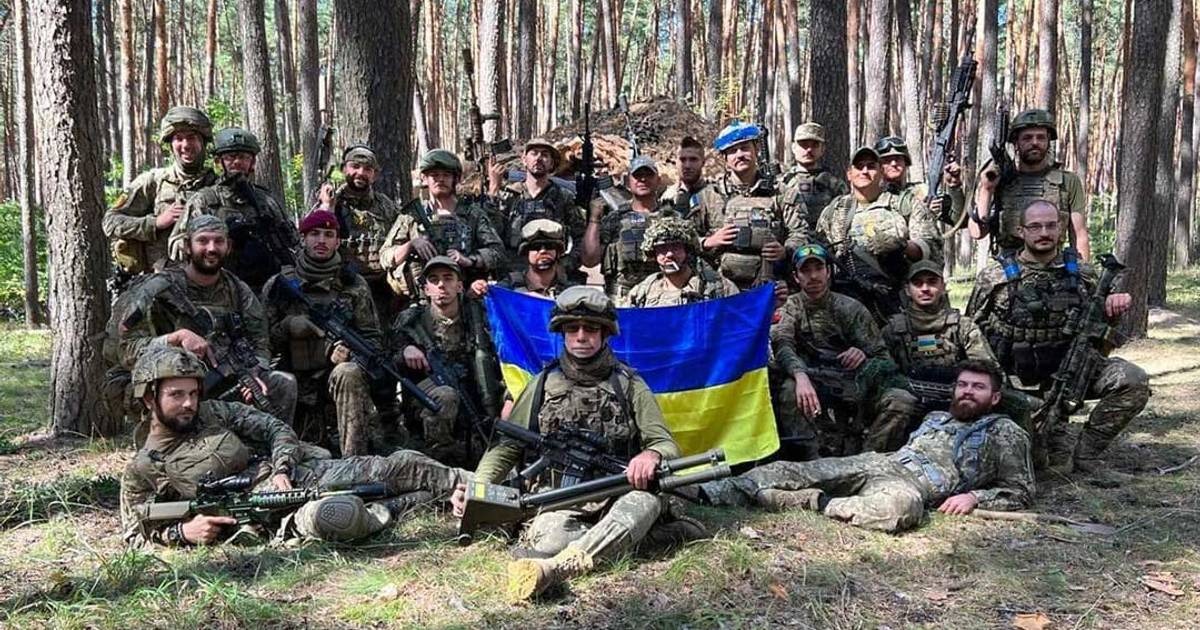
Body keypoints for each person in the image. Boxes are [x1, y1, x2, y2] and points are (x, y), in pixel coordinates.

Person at [450, 286, 702, 600]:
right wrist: (478, 489)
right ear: (563, 333)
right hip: (559, 500)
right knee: (550, 541)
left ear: (605, 334)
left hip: (618, 493)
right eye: (573, 329)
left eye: (591, 329)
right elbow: (507, 445)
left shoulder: (629, 384)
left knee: (645, 502)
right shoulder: (543, 383)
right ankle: (643, 540)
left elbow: (665, 443)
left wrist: (651, 455)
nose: (581, 336)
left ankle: (555, 568)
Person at [119, 345, 469, 547]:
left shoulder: (215, 413)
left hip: (300, 478)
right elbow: (133, 536)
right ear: (150, 398)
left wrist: (283, 467)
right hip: (279, 522)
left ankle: (485, 492)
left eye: (193, 393)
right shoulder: (144, 468)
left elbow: (276, 428)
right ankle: (417, 501)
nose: (188, 403)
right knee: (339, 515)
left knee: (403, 465)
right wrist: (183, 533)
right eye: (176, 395)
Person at [701, 360, 1035, 534]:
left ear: (995, 398)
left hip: (913, 486)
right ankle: (707, 492)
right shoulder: (936, 416)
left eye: (978, 387)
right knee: (792, 470)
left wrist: (974, 497)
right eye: (962, 385)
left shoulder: (1005, 432)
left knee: (899, 510)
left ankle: (808, 502)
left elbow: (1020, 491)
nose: (967, 391)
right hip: (882, 462)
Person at [967, 200, 1150, 473]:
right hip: (1013, 383)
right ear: (1021, 230)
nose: (1044, 232)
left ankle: (1087, 455)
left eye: (1050, 226)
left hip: (1069, 375)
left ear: (1061, 228)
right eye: (1035, 226)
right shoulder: (994, 276)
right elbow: (971, 331)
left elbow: (1101, 334)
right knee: (1034, 462)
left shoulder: (1084, 275)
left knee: (1133, 380)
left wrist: (1113, 310)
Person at [111, 215, 298, 426]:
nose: (211, 248)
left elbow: (260, 341)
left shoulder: (238, 290)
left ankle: (276, 443)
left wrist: (255, 373)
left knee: (282, 384)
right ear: (187, 246)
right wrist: (174, 339)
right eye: (203, 240)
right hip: (174, 386)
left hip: (229, 378)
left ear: (228, 247)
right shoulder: (156, 289)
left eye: (218, 241)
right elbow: (126, 350)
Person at [262, 210, 386, 456]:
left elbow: (373, 339)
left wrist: (349, 354)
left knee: (348, 372)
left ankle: (354, 459)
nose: (321, 240)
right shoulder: (279, 284)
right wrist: (287, 327)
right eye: (314, 234)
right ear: (303, 238)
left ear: (338, 241)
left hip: (335, 382)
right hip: (292, 379)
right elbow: (261, 341)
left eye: (329, 235)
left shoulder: (354, 284)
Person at [770, 244, 908, 460]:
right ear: (796, 277)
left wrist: (863, 354)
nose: (813, 276)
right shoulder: (790, 307)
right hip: (811, 381)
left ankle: (869, 459)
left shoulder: (851, 308)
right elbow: (782, 344)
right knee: (789, 389)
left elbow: (883, 358)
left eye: (819, 269)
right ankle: (810, 460)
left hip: (852, 382)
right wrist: (800, 375)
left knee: (901, 400)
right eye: (806, 270)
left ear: (828, 272)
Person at [815, 145, 943, 324]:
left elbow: (932, 249)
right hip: (847, 303)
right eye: (859, 166)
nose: (865, 171)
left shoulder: (904, 204)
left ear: (881, 172)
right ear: (849, 174)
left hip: (895, 301)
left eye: (871, 166)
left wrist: (902, 246)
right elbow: (819, 252)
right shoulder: (835, 210)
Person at [392, 257, 501, 464]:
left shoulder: (477, 317)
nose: (441, 285)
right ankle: (439, 459)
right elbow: (387, 357)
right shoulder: (412, 320)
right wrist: (405, 350)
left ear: (460, 286)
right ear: (426, 289)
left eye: (448, 278)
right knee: (446, 396)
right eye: (434, 280)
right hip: (429, 402)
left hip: (476, 400)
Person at [170, 127, 299, 294]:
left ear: (252, 162)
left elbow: (292, 242)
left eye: (244, 157)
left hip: (265, 287)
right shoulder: (204, 200)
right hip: (218, 288)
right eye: (230, 157)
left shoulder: (266, 201)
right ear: (219, 162)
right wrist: (220, 240)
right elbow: (176, 247)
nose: (237, 162)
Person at [103, 106, 218, 282]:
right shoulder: (153, 182)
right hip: (160, 282)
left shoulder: (216, 186)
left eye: (192, 137)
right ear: (170, 144)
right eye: (179, 139)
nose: (186, 145)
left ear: (203, 142)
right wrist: (155, 223)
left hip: (208, 282)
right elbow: (110, 222)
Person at [692, 121, 807, 292]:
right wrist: (707, 242)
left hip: (769, 287)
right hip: (721, 289)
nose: (739, 155)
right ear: (725, 158)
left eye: (745, 148)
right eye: (732, 151)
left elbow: (801, 233)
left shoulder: (781, 194)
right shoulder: (707, 197)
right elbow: (686, 239)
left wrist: (786, 250)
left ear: (756, 150)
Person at [380, 149, 504, 302]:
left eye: (446, 175)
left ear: (455, 179)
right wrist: (411, 244)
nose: (440, 179)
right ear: (425, 179)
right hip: (422, 302)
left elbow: (498, 253)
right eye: (434, 175)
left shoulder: (473, 214)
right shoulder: (412, 216)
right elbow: (385, 257)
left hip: (466, 297)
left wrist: (469, 260)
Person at [970, 108, 1091, 259]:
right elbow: (977, 232)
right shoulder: (1000, 179)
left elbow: (1079, 235)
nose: (1034, 143)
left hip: (1053, 266)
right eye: (1027, 138)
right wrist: (987, 190)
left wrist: (1084, 270)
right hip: (1009, 267)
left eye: (1040, 137)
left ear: (1048, 141)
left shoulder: (1067, 182)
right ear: (1016, 143)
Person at [314, 145, 403, 321]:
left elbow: (403, 234)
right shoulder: (331, 202)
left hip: (383, 288)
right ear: (344, 169)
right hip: (344, 288)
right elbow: (315, 242)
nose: (361, 173)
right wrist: (327, 207)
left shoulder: (386, 206)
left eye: (367, 169)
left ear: (374, 175)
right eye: (355, 166)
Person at [582, 155, 682, 304]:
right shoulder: (614, 219)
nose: (643, 179)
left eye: (648, 175)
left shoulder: (673, 218)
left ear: (658, 180)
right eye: (637, 175)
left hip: (661, 297)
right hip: (620, 298)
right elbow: (589, 260)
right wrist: (594, 219)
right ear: (628, 181)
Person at [488, 138, 587, 280]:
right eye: (534, 153)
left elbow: (581, 238)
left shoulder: (563, 197)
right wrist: (493, 189)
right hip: (514, 273)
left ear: (552, 163)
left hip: (551, 272)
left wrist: (565, 264)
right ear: (524, 160)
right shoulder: (509, 196)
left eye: (545, 154)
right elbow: (491, 235)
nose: (539, 158)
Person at [626, 215, 738, 307]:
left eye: (675, 247)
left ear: (687, 250)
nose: (669, 254)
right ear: (654, 254)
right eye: (662, 249)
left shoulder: (718, 287)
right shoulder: (642, 292)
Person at [472, 219, 576, 298]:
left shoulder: (570, 291)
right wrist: (477, 290)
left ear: (558, 251)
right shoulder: (508, 287)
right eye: (535, 247)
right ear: (526, 252)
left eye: (549, 246)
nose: (542, 251)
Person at [874, 135, 964, 226]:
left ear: (906, 163)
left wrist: (954, 186)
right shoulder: (873, 196)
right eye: (887, 160)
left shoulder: (923, 191)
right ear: (878, 166)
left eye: (898, 159)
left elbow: (960, 221)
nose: (893, 164)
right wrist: (922, 213)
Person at [779, 122, 849, 231]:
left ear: (822, 149)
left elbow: (844, 219)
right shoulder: (782, 182)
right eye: (803, 145)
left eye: (814, 145)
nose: (809, 150)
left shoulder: (834, 185)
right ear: (793, 147)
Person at [659, 136, 710, 216]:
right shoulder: (668, 196)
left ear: (703, 162)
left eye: (693, 159)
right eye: (682, 160)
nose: (687, 166)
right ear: (676, 162)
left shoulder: (713, 195)